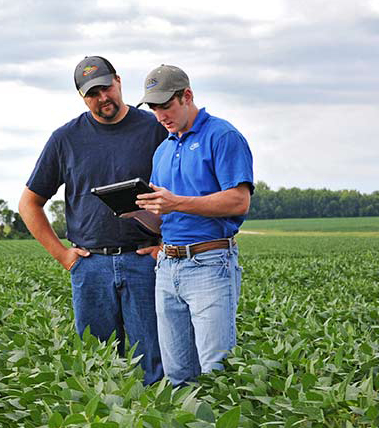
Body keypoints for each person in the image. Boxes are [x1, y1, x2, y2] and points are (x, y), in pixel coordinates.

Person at [18, 56, 167, 385]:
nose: (102, 98)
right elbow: (29, 203)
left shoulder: (154, 129)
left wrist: (165, 244)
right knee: (96, 367)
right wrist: (64, 256)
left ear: (118, 80)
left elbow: (181, 192)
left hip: (145, 262)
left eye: (106, 87)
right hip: (90, 267)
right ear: (82, 97)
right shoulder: (66, 139)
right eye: (92, 93)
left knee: (153, 363)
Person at [135, 64, 254, 386]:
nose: (160, 115)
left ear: (187, 96)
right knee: (177, 375)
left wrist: (177, 202)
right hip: (167, 266)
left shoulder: (222, 135)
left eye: (166, 105)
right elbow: (165, 212)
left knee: (216, 371)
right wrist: (138, 212)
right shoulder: (163, 149)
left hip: (209, 263)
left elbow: (239, 201)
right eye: (154, 108)